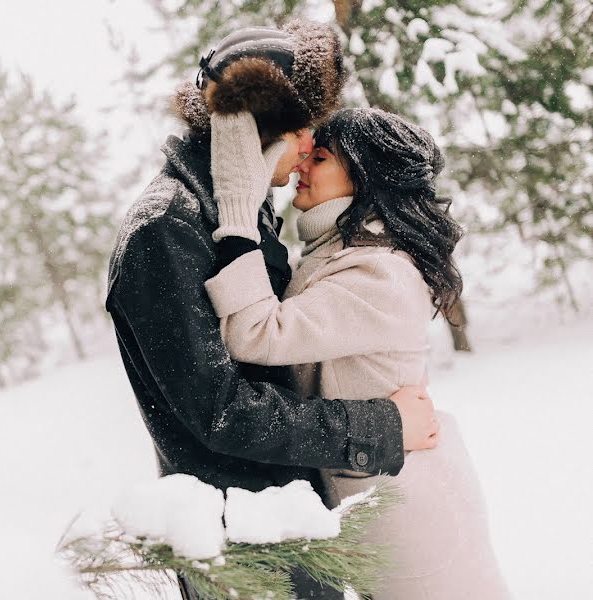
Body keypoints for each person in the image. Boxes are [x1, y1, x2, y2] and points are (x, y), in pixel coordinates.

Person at [105, 21, 438, 600]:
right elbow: (223, 413)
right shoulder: (167, 230)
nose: (310, 144)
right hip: (243, 541)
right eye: (300, 127)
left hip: (291, 518)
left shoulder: (238, 211)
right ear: (256, 131)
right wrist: (381, 426)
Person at [204, 107, 512, 599]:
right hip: (387, 487)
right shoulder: (347, 252)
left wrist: (238, 220)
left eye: (319, 157)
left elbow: (256, 333)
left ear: (366, 178)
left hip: (408, 507)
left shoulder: (378, 272)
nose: (300, 165)